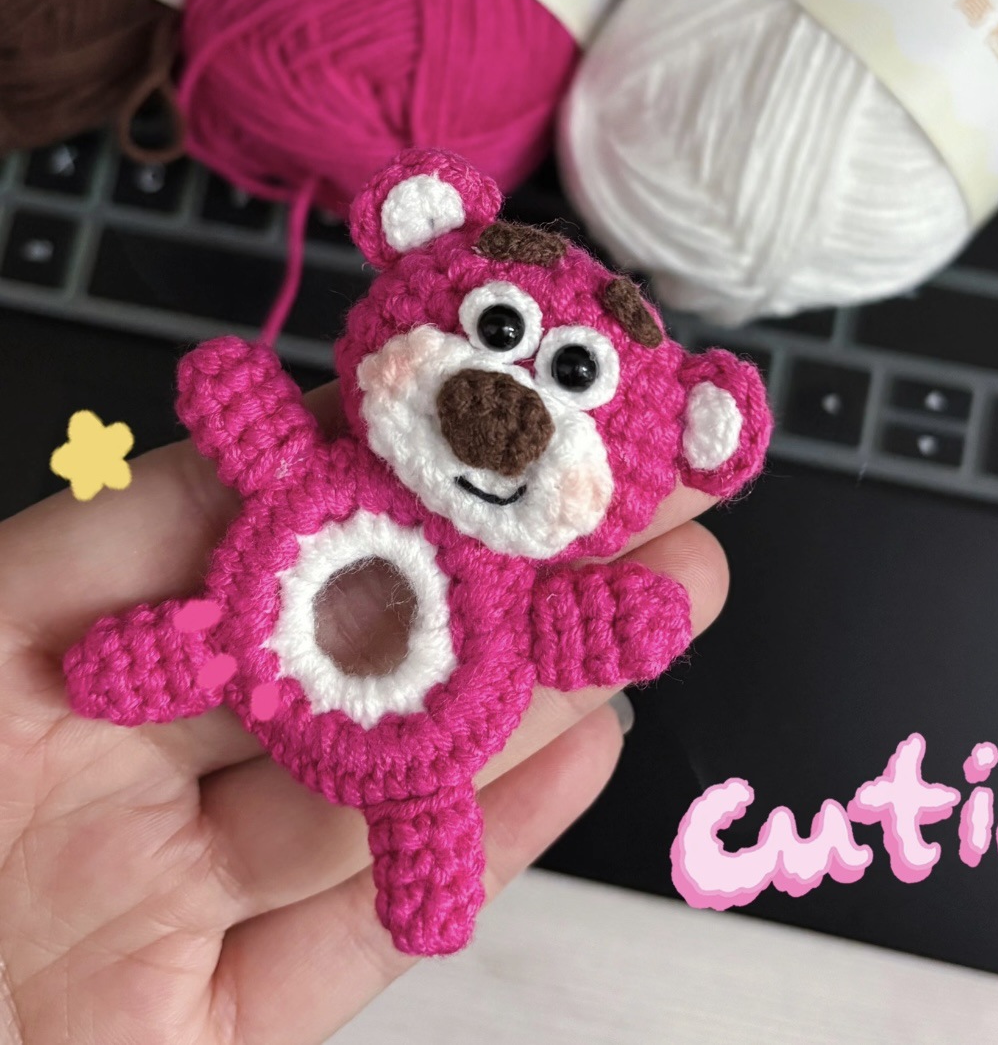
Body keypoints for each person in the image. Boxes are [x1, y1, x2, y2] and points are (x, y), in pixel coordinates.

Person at [0, 384, 729, 1045]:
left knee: (410, 792)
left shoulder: (503, 605)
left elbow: (593, 623)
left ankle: (416, 820)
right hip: (249, 649)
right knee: (205, 655)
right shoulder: (307, 502)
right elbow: (241, 412)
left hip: (370, 707)